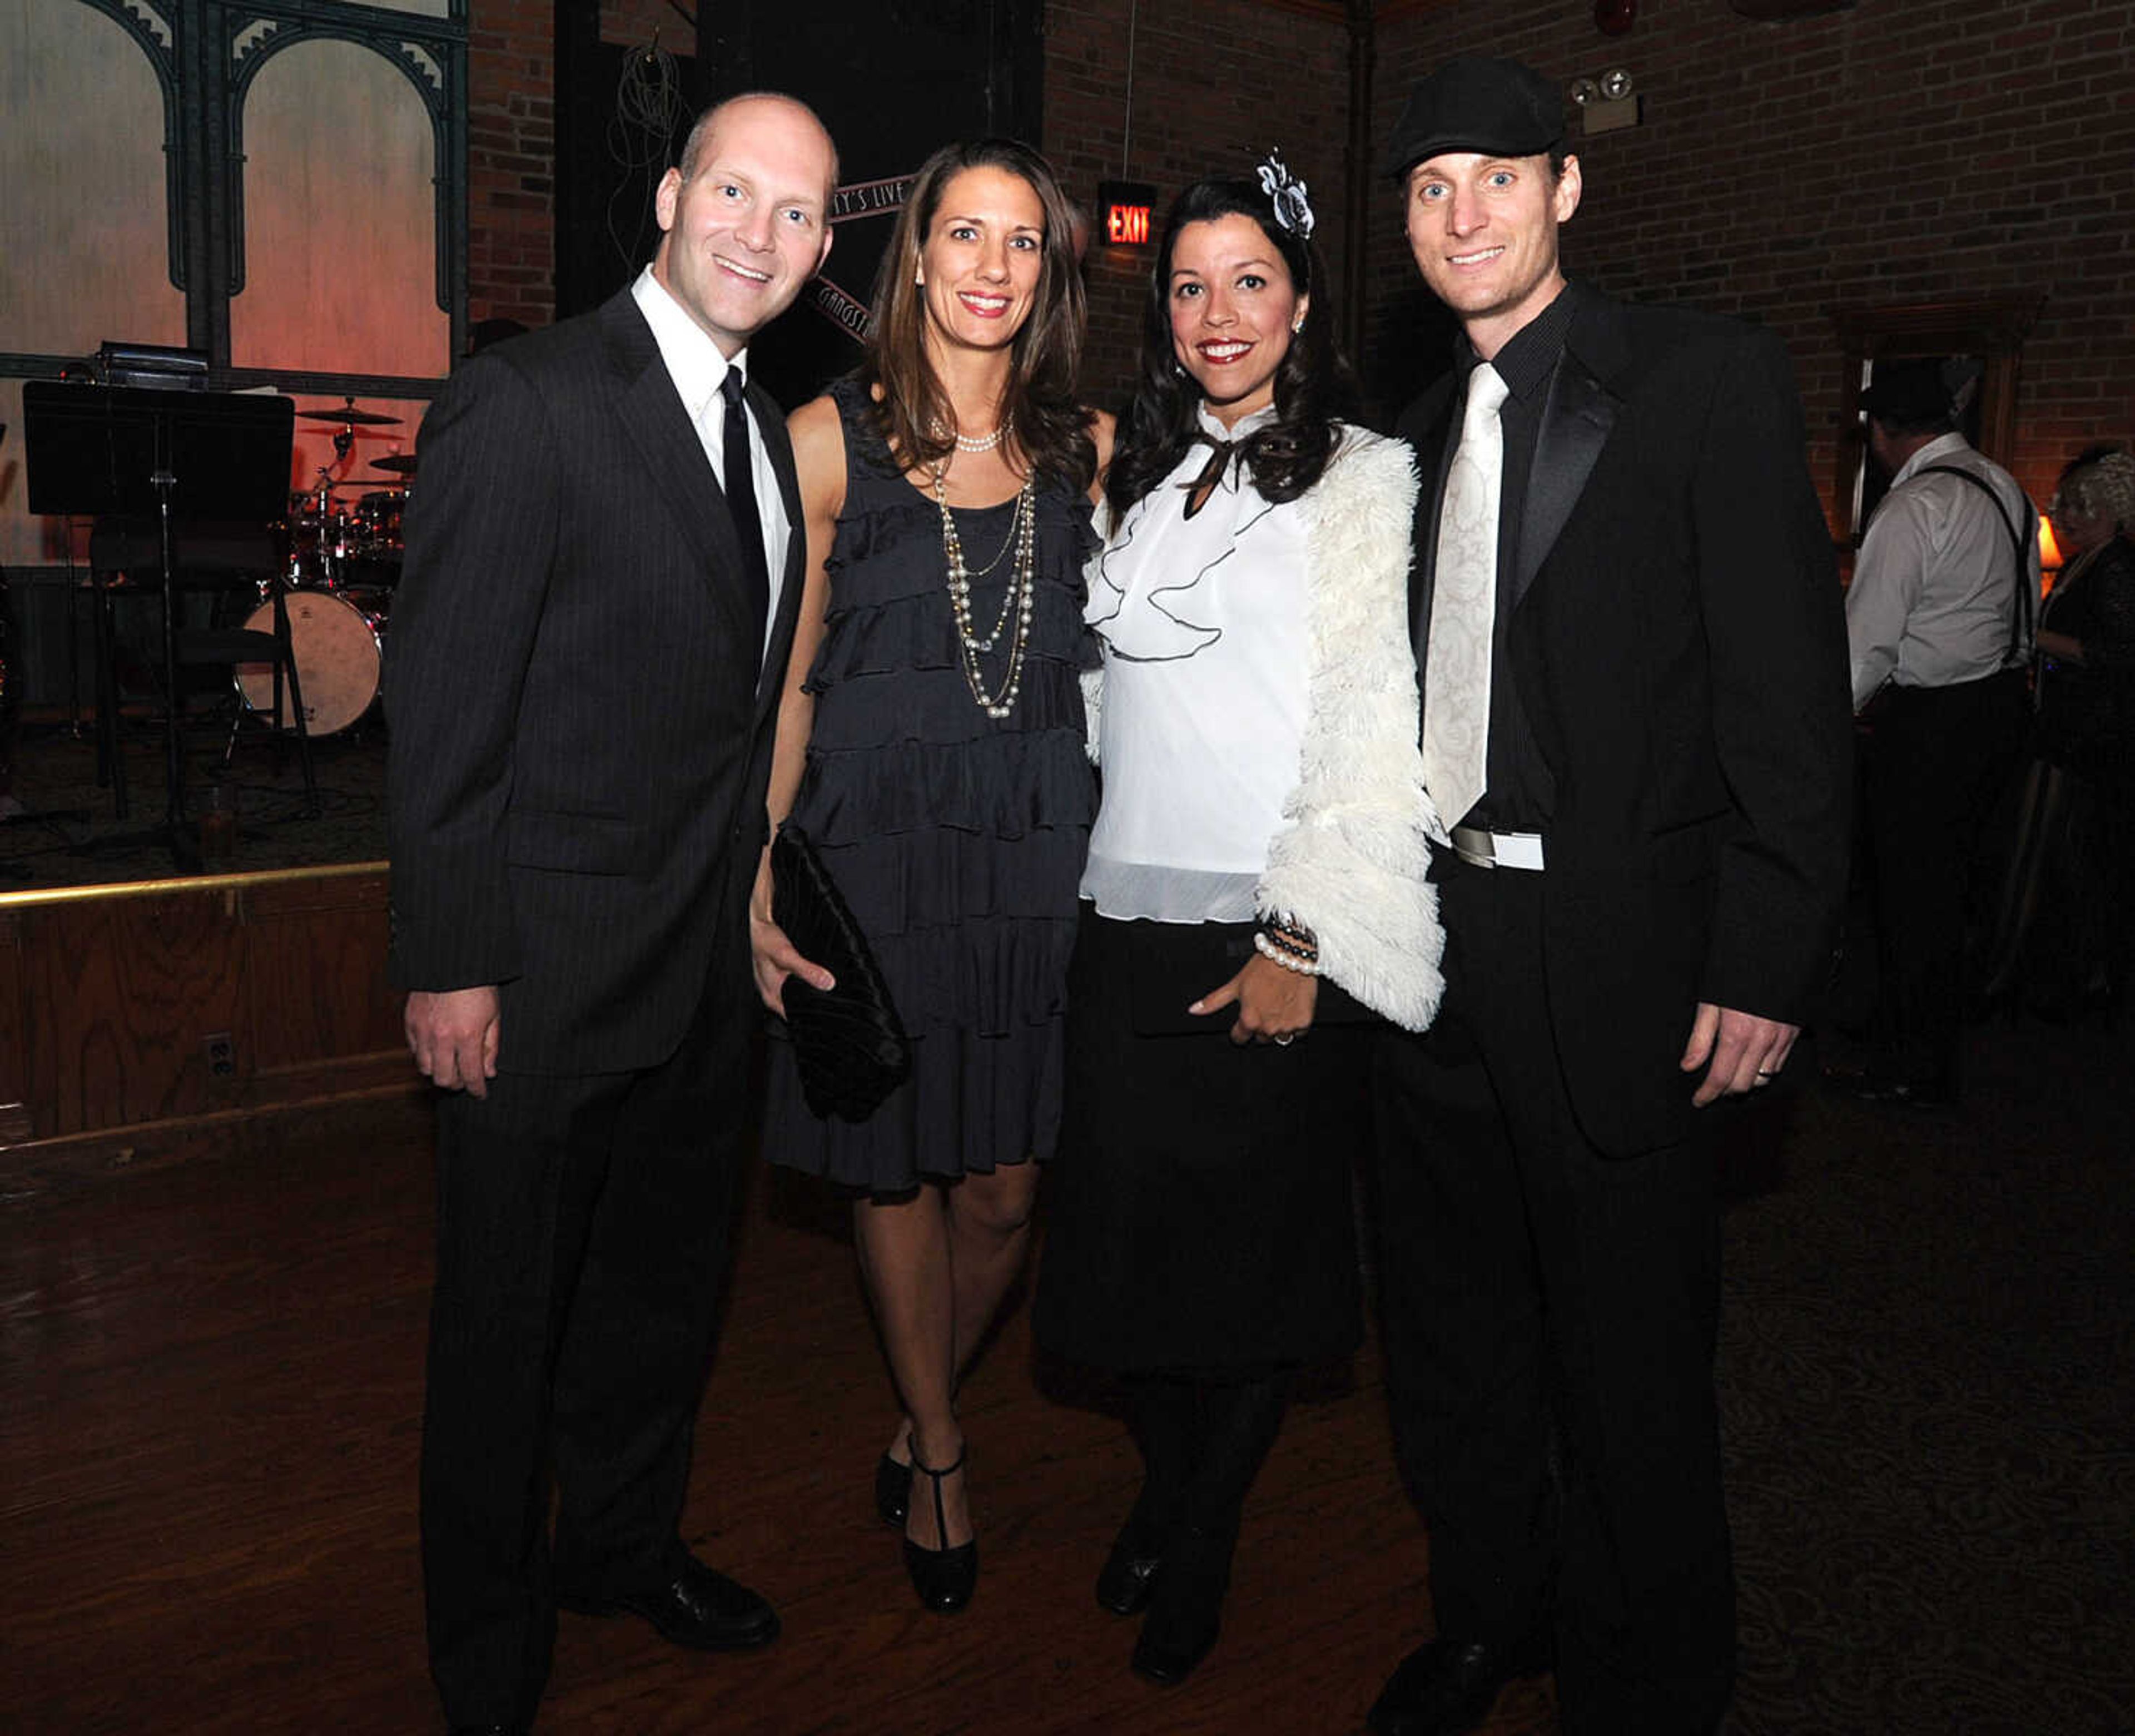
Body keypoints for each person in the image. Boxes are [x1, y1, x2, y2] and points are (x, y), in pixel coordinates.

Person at [1366, 56, 1854, 1736]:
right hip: (1430, 956)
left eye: (1496, 176)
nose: (1462, 213)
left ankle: (1648, 1683)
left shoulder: (1700, 379)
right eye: (1429, 187)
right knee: (1456, 1339)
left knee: (1629, 1362)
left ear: (1564, 188)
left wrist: (1767, 945)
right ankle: (1489, 1613)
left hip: (1621, 958)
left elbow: (1784, 690)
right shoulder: (1414, 436)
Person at [385, 92, 837, 1736]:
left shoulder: (770, 429)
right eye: (732, 190)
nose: (757, 232)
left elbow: (735, 712)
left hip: (701, 975)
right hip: (541, 976)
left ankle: (623, 1547)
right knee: (505, 1332)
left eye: (795, 213)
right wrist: (450, 958)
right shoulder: (528, 402)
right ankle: (487, 1642)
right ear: (665, 194)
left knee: (657, 1305)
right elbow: (446, 715)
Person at [1031, 163, 1443, 1688]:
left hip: (1267, 929)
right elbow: (1101, 696)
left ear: (1304, 303)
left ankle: (1200, 1540)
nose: (1220, 313)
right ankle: (1174, 1484)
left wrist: (1302, 940)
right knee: (1129, 1287)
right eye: (1192, 285)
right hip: (1122, 922)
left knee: (1255, 1286)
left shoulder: (1363, 477)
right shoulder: (1135, 473)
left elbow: (1367, 723)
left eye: (1251, 280)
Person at [747, 138, 1108, 1616]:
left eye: (1022, 244)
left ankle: (913, 1404)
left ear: (1047, 275)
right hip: (872, 852)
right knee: (890, 1164)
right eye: (966, 235)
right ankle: (943, 1444)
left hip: (1032, 853)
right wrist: (759, 874)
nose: (991, 268)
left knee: (1008, 1188)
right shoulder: (826, 437)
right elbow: (785, 690)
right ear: (917, 258)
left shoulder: (1091, 443)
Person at [1834, 358, 2042, 1104]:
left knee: (1912, 891)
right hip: (2000, 710)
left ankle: (1909, 1066)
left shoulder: (1913, 506)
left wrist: (1822, 730)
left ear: (1886, 434)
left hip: (1933, 723)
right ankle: (1912, 1029)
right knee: (1950, 887)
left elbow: (1869, 645)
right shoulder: (2006, 486)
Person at [1991, 446, 2135, 1014]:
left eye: (2082, 505)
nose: (2068, 516)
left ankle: (2059, 983)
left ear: (2115, 506)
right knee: (2052, 861)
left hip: (2087, 741)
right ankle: (2051, 980)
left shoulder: (2117, 565)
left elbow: (2120, 656)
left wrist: (2034, 639)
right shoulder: (2090, 560)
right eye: (2066, 503)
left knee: (2062, 860)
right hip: (2068, 733)